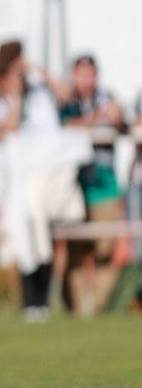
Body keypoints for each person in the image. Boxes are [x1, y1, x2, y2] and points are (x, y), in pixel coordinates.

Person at [0, 41, 84, 321]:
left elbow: (67, 96)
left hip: (51, 173)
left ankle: (43, 301)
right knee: (28, 234)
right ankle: (31, 301)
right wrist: (17, 91)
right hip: (26, 175)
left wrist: (40, 70)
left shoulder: (43, 91)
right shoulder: (6, 97)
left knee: (48, 238)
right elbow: (11, 125)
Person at [58, 54, 126, 315]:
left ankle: (100, 307)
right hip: (75, 186)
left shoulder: (107, 99)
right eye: (80, 73)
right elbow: (63, 126)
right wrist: (94, 120)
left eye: (89, 73)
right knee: (76, 248)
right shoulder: (67, 104)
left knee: (105, 248)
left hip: (105, 186)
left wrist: (118, 118)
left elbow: (123, 126)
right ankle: (76, 309)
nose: (85, 79)